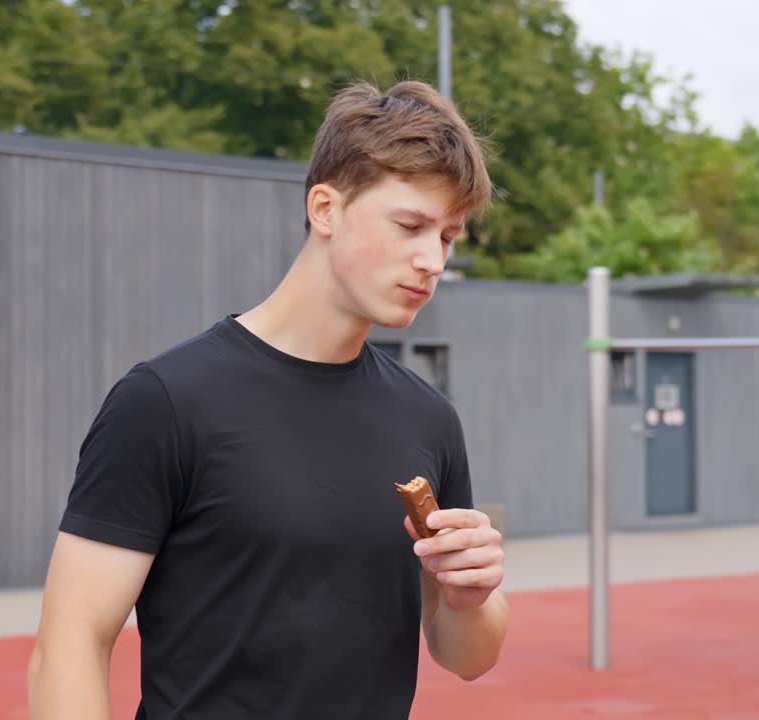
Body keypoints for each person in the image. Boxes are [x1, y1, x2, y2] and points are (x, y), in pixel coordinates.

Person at [27, 78, 509, 720]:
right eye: (410, 225)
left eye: (447, 236)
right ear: (325, 209)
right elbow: (69, 644)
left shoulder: (428, 419)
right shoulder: (167, 401)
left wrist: (470, 598)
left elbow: (466, 657)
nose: (432, 260)